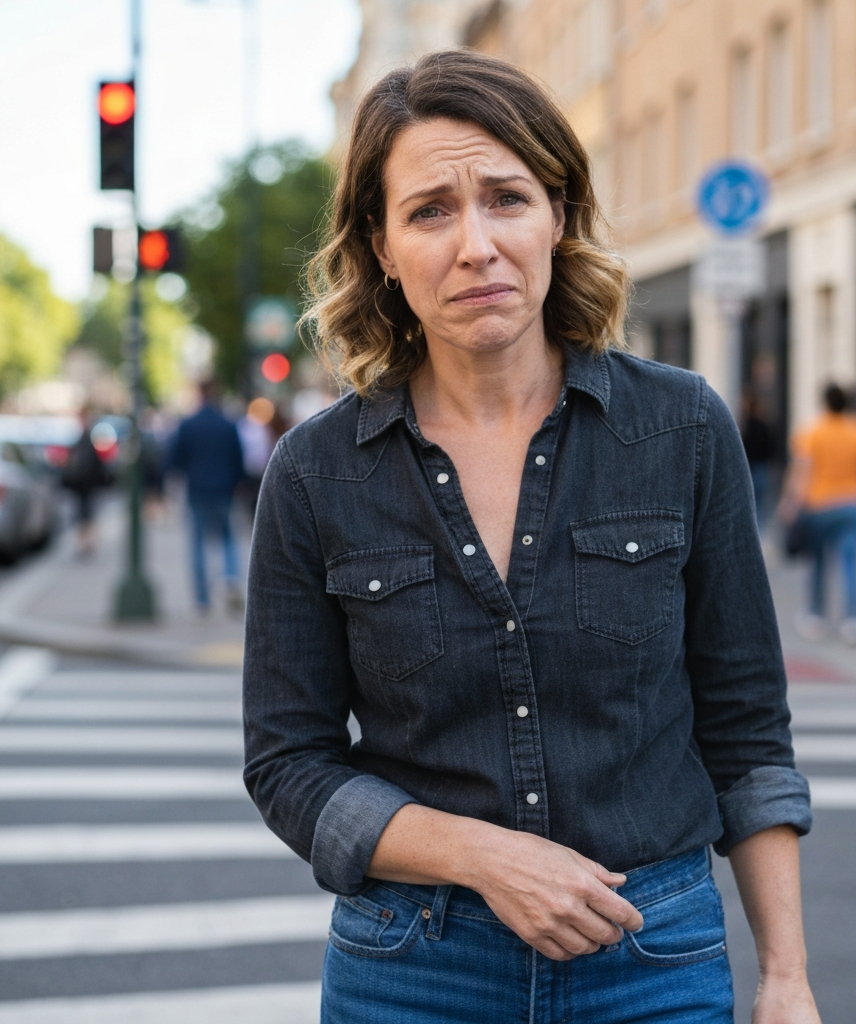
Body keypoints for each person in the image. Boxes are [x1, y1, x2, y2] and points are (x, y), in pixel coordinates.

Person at [244, 51, 818, 1024]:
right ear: (381, 246)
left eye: (506, 197)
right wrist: (482, 856)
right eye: (429, 210)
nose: (476, 244)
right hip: (411, 967)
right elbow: (287, 763)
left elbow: (747, 732)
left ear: (556, 213)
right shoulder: (313, 473)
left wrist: (786, 977)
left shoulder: (680, 429)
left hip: (653, 955)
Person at [780, 383, 856, 646]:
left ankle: (816, 617)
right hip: (853, 504)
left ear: (824, 402)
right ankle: (853, 622)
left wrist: (790, 503)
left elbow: (803, 471)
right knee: (852, 563)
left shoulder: (812, 432)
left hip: (820, 506)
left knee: (818, 564)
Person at [167, 380, 245, 615]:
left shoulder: (188, 424)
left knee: (198, 544)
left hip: (197, 490)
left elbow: (175, 460)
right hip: (224, 490)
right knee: (228, 538)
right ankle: (230, 577)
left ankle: (202, 600)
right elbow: (238, 459)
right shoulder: (228, 425)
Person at [61, 411, 112, 558]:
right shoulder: (80, 441)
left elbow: (94, 464)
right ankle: (85, 543)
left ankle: (87, 543)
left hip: (87, 484)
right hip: (81, 484)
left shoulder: (88, 441)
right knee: (83, 513)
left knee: (86, 513)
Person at [740, 389, 776, 532]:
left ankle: (752, 532)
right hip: (762, 468)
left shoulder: (746, 426)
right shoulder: (764, 424)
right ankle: (759, 533)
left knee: (750, 504)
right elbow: (770, 448)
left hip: (749, 468)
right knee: (760, 504)